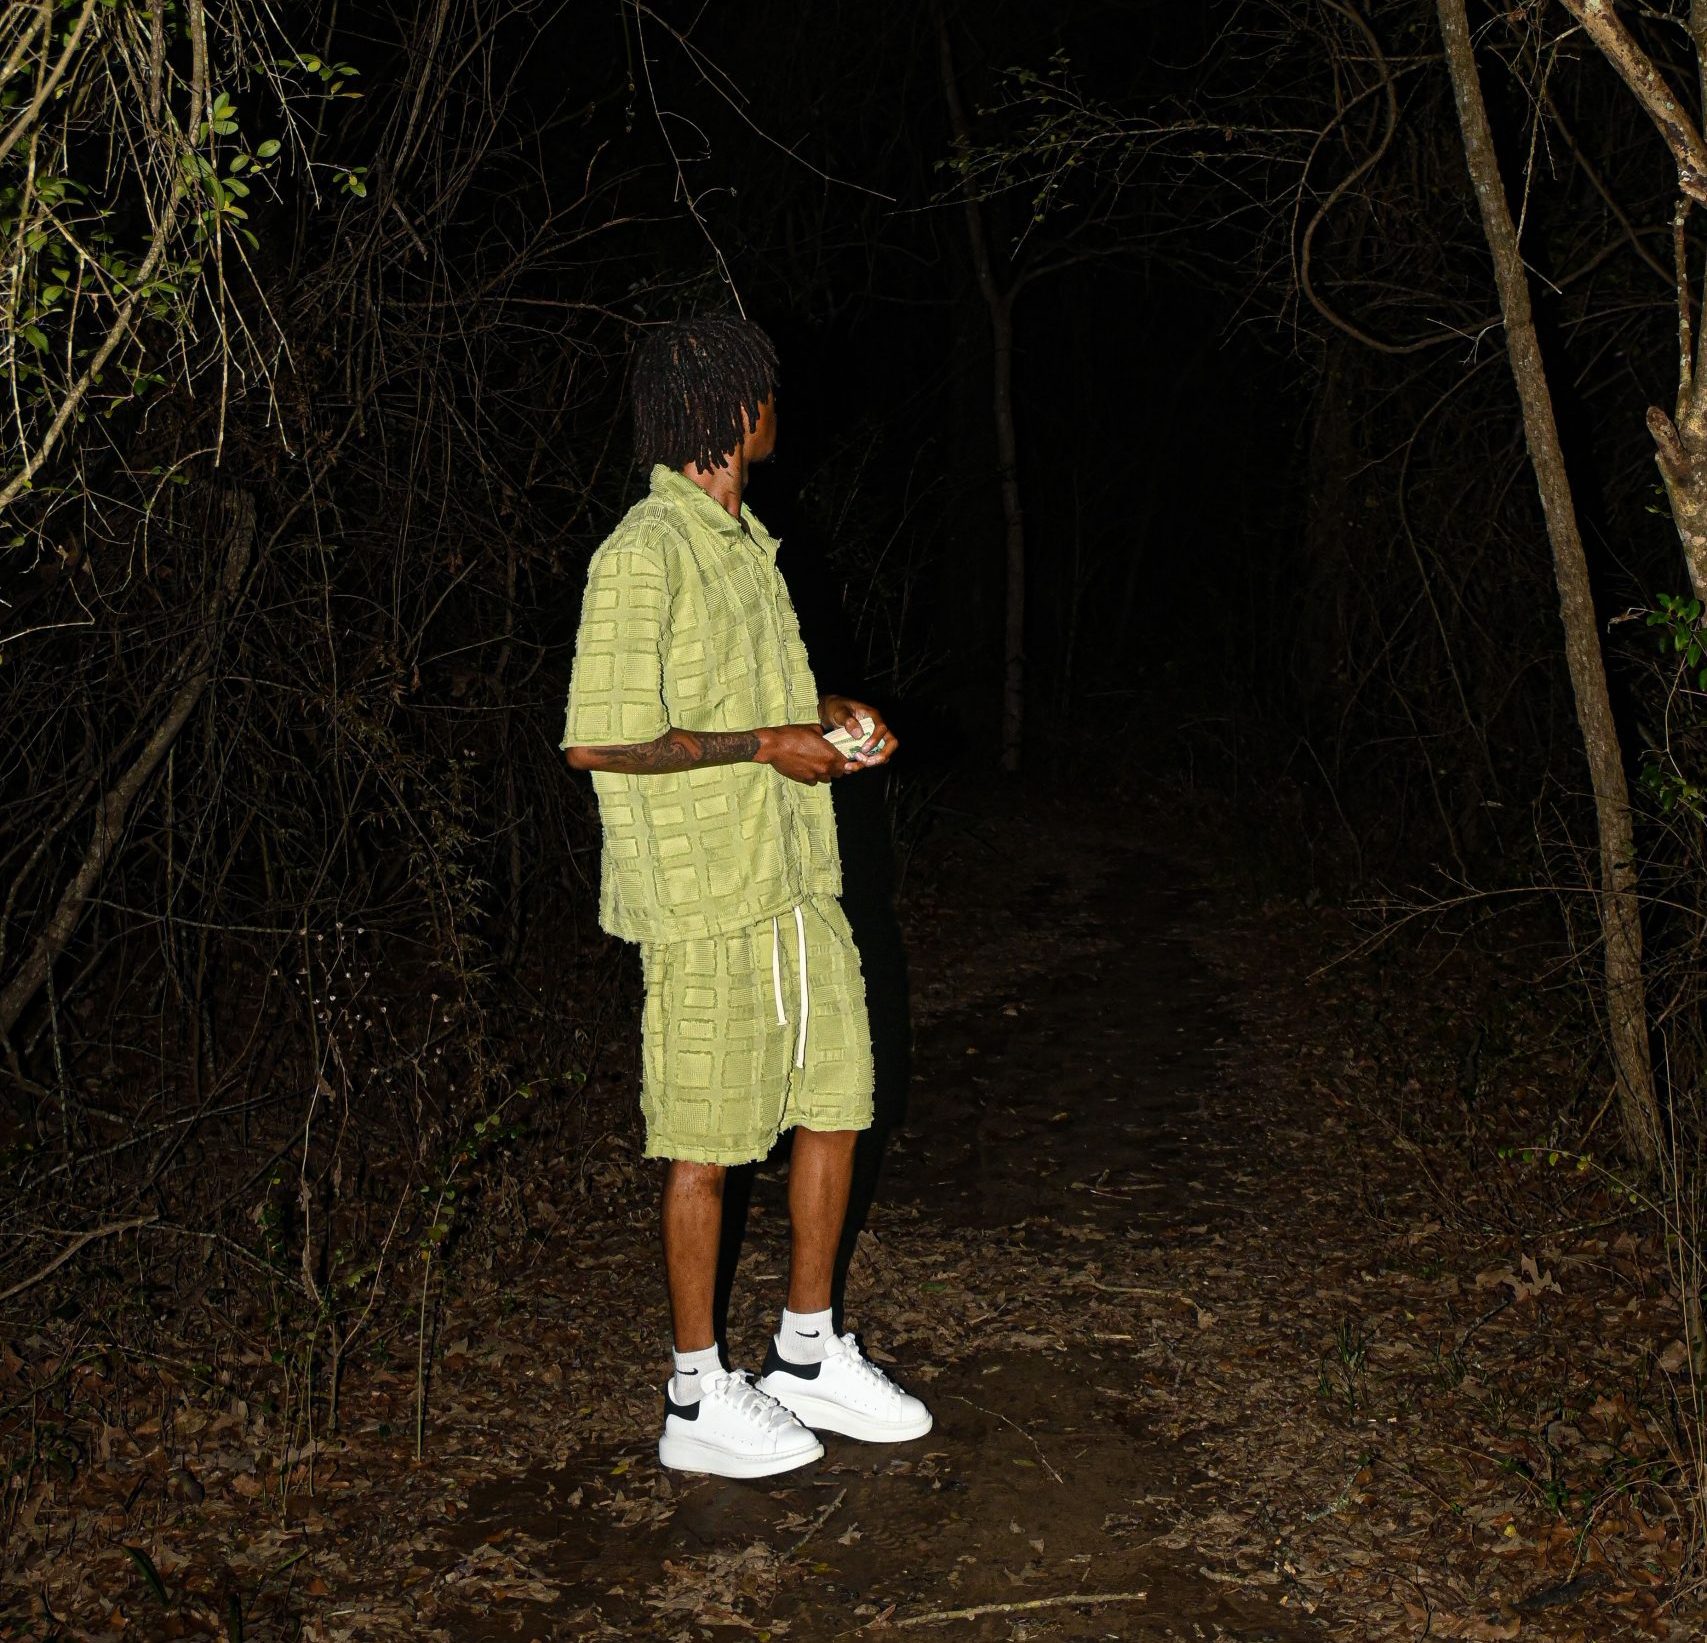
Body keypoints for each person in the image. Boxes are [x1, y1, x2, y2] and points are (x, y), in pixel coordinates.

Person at [561, 315, 932, 1479]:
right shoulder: (642, 552)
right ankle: (695, 1389)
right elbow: (598, 740)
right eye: (765, 390)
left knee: (840, 1095)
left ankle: (807, 1351)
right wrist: (770, 742)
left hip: (793, 877)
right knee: (704, 1140)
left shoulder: (744, 545)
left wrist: (830, 715)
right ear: (726, 406)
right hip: (706, 895)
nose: (779, 406)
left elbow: (753, 699)